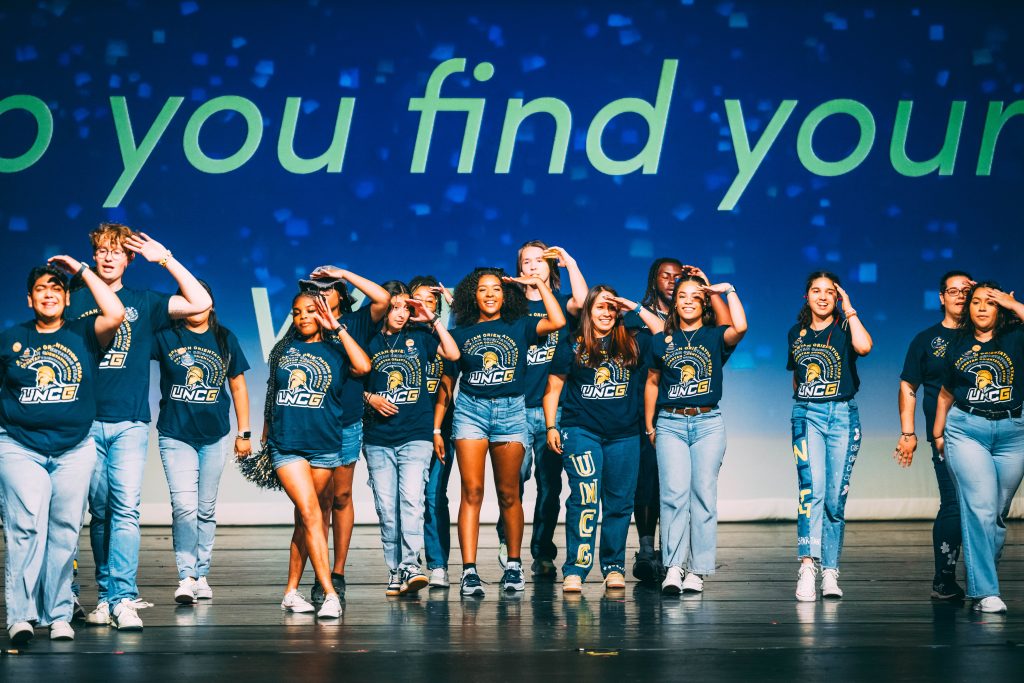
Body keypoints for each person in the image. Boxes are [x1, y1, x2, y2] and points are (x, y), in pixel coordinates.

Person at [68, 224, 212, 630]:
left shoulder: (144, 302)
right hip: (84, 422)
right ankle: (103, 595)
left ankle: (123, 597)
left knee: (126, 511)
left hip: (129, 422)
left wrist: (164, 258)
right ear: (93, 256)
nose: (109, 257)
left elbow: (199, 303)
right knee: (100, 514)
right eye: (102, 251)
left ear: (129, 259)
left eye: (117, 251)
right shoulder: (74, 300)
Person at [1, 258, 124, 644]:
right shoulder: (10, 337)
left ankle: (57, 614)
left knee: (65, 533)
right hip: (21, 446)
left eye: (56, 288)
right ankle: (21, 616)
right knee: (25, 528)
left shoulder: (85, 333)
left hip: (74, 449)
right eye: (41, 289)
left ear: (67, 298)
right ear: (29, 298)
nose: (49, 294)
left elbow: (116, 312)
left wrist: (83, 270)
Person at [449, 267, 566, 596]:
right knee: (471, 493)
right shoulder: (462, 331)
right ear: (473, 295)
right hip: (471, 411)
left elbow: (556, 321)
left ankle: (513, 566)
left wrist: (539, 284)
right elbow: (447, 376)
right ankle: (469, 571)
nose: (489, 295)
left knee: (509, 494)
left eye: (496, 289)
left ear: (506, 295)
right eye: (483, 289)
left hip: (512, 411)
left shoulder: (521, 324)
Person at [262, 290, 370, 618]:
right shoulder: (283, 349)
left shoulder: (336, 349)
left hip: (325, 446)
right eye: (297, 312)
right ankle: (329, 593)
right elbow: (273, 394)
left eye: (310, 311)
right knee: (312, 514)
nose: (303, 317)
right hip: (288, 444)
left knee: (305, 521)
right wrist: (264, 437)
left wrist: (336, 328)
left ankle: (291, 592)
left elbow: (363, 366)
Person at [544, 286, 658, 594]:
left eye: (611, 308)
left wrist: (631, 305)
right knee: (584, 499)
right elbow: (554, 387)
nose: (606, 313)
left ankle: (613, 567)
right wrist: (551, 426)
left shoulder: (634, 341)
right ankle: (575, 570)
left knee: (619, 504)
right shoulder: (572, 343)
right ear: (588, 311)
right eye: (599, 307)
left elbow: (661, 331)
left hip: (624, 434)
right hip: (582, 430)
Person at [644, 274, 747, 595]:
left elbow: (740, 328)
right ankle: (673, 567)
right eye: (682, 296)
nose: (687, 300)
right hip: (670, 423)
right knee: (673, 497)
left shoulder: (714, 336)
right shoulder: (661, 339)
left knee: (703, 497)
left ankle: (698, 571)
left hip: (708, 423)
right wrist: (650, 425)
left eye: (694, 296)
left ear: (703, 304)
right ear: (675, 304)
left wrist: (727, 290)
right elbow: (651, 382)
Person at [293, 268, 389, 607]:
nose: (319, 295)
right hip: (315, 424)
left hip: (346, 422)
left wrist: (344, 272)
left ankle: (337, 572)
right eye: (312, 290)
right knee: (316, 502)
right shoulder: (303, 324)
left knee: (342, 497)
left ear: (340, 294)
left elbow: (384, 299)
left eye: (327, 290)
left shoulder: (357, 322)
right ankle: (315, 577)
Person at [152, 281, 251, 604]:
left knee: (205, 510)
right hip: (175, 434)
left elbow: (237, 386)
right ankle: (186, 576)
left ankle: (202, 573)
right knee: (184, 507)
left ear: (209, 303)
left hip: (215, 435)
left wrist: (244, 432)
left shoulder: (224, 338)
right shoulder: (166, 335)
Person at [363, 282, 460, 595]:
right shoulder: (368, 339)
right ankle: (395, 570)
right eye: (395, 307)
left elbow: (453, 352)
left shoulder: (420, 337)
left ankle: (411, 567)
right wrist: (370, 398)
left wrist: (429, 317)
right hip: (377, 437)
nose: (401, 314)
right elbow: (352, 383)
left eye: (407, 307)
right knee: (386, 506)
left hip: (416, 434)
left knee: (412, 502)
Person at [496, 241, 587, 578]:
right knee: (513, 482)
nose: (533, 267)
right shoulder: (511, 309)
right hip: (514, 408)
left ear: (550, 267)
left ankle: (542, 553)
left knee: (550, 486)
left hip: (553, 412)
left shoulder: (564, 305)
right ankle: (509, 541)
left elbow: (582, 301)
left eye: (540, 261)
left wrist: (570, 261)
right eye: (526, 261)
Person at [933, 281, 1024, 614]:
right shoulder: (957, 344)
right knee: (980, 509)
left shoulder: (1016, 337)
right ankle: (985, 591)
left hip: (1014, 431)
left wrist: (1013, 304)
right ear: (967, 309)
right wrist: (938, 433)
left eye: (991, 302)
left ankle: (983, 573)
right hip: (967, 430)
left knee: (997, 514)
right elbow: (946, 392)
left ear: (1000, 307)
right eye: (976, 302)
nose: (983, 307)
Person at [787, 271, 872, 602]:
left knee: (836, 498)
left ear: (837, 298)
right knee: (812, 491)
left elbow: (864, 347)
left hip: (843, 416)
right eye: (815, 291)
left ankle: (831, 571)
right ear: (806, 296)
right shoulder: (796, 333)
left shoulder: (846, 327)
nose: (822, 297)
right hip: (808, 414)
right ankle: (807, 565)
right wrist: (804, 407)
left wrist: (849, 308)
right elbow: (797, 377)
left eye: (830, 292)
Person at [894, 270, 973, 600]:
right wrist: (908, 432)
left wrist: (1008, 304)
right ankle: (944, 577)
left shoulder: (990, 336)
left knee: (988, 506)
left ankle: (985, 579)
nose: (960, 296)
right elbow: (908, 385)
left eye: (966, 291)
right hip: (946, 435)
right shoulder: (926, 340)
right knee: (954, 503)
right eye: (952, 291)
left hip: (988, 430)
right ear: (941, 297)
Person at [408, 275, 458, 588]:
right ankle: (406, 566)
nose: (425, 307)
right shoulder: (397, 338)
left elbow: (447, 387)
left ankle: (438, 564)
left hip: (439, 429)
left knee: (433, 496)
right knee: (407, 500)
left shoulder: (444, 340)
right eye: (418, 301)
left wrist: (437, 428)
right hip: (403, 431)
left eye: (432, 301)